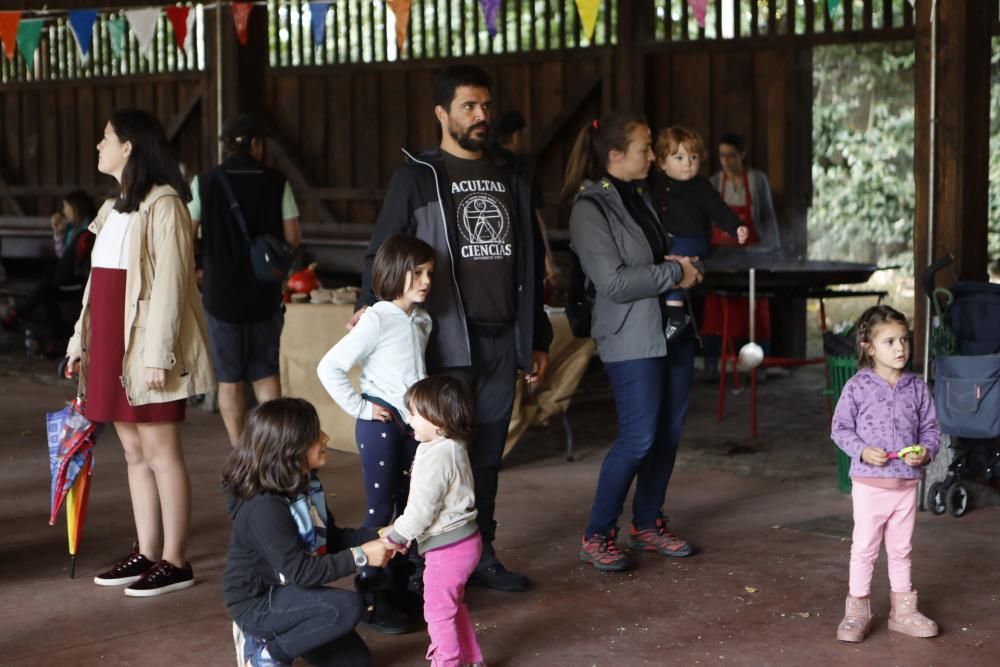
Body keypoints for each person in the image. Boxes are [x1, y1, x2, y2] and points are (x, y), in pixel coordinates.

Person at [354, 64, 553, 592]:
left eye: (485, 105)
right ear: (442, 113)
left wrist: (537, 336)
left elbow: (529, 263)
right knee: (436, 458)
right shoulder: (419, 175)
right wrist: (368, 306)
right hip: (442, 342)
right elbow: (381, 251)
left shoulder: (511, 173)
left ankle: (480, 555)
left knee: (486, 458)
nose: (481, 115)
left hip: (501, 339)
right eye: (468, 106)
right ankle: (422, 568)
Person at [65, 109, 215, 596]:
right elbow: (95, 288)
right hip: (109, 339)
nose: (98, 146)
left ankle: (175, 559)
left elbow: (172, 284)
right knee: (132, 450)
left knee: (160, 450)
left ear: (129, 146)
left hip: (146, 345)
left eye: (105, 138)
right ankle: (147, 550)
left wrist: (160, 355)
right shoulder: (112, 209)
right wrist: (78, 345)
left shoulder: (166, 204)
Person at [563, 112, 702, 572]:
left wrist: (676, 263)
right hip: (631, 336)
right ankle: (597, 533)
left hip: (671, 331)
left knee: (667, 435)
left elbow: (646, 258)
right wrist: (674, 272)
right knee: (639, 438)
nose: (652, 154)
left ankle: (646, 522)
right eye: (645, 148)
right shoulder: (590, 208)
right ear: (616, 155)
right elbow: (614, 283)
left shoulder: (640, 196)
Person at [222, 398, 403, 667]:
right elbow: (302, 572)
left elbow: (331, 539)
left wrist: (380, 533)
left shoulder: (306, 485)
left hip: (289, 592)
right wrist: (362, 556)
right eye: (315, 434)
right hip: (258, 603)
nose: (326, 438)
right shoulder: (265, 507)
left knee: (354, 661)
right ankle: (265, 652)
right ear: (290, 448)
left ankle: (279, 635)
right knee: (346, 606)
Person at [316, 234, 435, 632]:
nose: (425, 280)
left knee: (408, 506)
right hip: (379, 427)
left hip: (412, 427)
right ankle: (372, 591)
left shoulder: (421, 319)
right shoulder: (376, 318)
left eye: (428, 273)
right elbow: (329, 367)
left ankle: (400, 584)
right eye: (415, 272)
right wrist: (362, 407)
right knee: (380, 509)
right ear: (391, 272)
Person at [188, 113, 302, 446]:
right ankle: (275, 449)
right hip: (263, 292)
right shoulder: (276, 181)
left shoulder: (204, 182)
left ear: (225, 146)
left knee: (229, 379)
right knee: (266, 375)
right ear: (255, 144)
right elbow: (292, 237)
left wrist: (199, 264)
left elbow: (186, 233)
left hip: (220, 293)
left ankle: (240, 450)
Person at [831, 305, 941, 643]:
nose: (900, 348)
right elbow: (839, 428)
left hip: (906, 485)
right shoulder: (857, 386)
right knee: (864, 547)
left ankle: (903, 611)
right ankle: (857, 611)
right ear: (868, 346)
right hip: (869, 484)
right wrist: (862, 450)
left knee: (901, 549)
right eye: (890, 341)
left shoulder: (917, 387)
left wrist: (925, 451)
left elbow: (931, 431)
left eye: (904, 340)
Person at [383, 375, 484, 667]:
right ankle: (471, 659)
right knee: (452, 607)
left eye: (414, 413)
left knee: (438, 612)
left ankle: (448, 662)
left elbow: (422, 509)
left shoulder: (438, 455)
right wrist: (400, 529)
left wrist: (399, 535)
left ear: (438, 419)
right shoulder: (449, 445)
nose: (409, 419)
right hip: (464, 541)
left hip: (448, 549)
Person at [648, 126, 748, 340]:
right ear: (663, 162)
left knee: (675, 263)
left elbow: (719, 210)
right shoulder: (654, 182)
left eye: (693, 157)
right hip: (669, 240)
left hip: (692, 241)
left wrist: (735, 226)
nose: (688, 163)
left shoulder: (701, 186)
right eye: (679, 157)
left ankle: (676, 315)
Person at [701, 132, 780, 381]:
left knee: (757, 313)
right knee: (716, 313)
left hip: (751, 257)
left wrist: (773, 252)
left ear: (742, 155)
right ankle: (712, 366)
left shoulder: (756, 181)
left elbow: (767, 218)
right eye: (722, 156)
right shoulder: (714, 183)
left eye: (732, 155)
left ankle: (760, 367)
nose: (726, 161)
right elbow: (707, 222)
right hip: (722, 259)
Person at [2, 190, 97, 356]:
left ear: (75, 208)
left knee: (49, 281)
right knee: (48, 291)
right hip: (65, 279)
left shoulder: (90, 229)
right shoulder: (71, 229)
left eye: (66, 207)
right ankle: (56, 340)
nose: (63, 211)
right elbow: (62, 256)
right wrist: (58, 232)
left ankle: (18, 315)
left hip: (80, 282)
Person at [491, 111, 558, 290]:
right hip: (523, 249)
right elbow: (535, 216)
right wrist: (548, 261)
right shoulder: (522, 169)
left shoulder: (486, 164)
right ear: (516, 136)